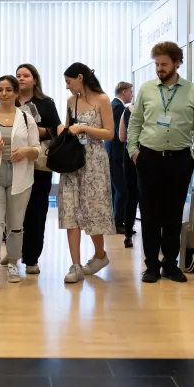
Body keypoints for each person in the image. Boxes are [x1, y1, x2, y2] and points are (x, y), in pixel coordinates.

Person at [126, 42, 194, 284]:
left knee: (173, 215)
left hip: (179, 159)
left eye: (164, 64)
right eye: (157, 64)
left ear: (176, 63)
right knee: (150, 214)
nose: (159, 69)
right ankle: (151, 265)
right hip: (149, 158)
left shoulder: (192, 91)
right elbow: (135, 122)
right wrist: (134, 151)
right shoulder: (147, 89)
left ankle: (170, 265)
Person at [0, 75, 41, 287]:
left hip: (20, 177)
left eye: (8, 90)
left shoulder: (26, 119)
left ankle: (13, 263)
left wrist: (26, 151)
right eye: (0, 90)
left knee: (15, 225)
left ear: (16, 93)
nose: (3, 94)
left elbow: (37, 149)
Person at [58, 63, 116, 284]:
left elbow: (109, 133)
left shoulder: (102, 99)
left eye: (69, 81)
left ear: (80, 77)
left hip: (94, 161)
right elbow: (68, 129)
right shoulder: (70, 101)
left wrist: (83, 128)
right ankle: (76, 265)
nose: (67, 86)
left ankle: (100, 255)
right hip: (72, 160)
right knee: (70, 211)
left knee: (93, 209)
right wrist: (64, 130)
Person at [15, 64, 62, 275]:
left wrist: (37, 130)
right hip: (14, 162)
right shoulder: (10, 100)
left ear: (35, 79)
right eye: (18, 75)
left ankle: (31, 257)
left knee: (36, 210)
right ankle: (14, 252)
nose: (21, 78)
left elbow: (56, 131)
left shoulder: (46, 103)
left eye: (26, 75)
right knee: (14, 211)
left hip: (39, 163)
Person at [107, 82, 134, 235]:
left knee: (117, 189)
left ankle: (116, 221)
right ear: (123, 92)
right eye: (130, 91)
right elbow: (119, 134)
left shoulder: (114, 105)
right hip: (116, 155)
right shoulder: (118, 108)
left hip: (112, 154)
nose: (132, 95)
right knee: (122, 190)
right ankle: (118, 223)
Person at [117, 105, 139, 249]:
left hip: (129, 155)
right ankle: (153, 236)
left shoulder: (126, 110)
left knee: (131, 196)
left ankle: (128, 235)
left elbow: (121, 137)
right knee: (148, 198)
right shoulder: (152, 109)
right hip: (147, 154)